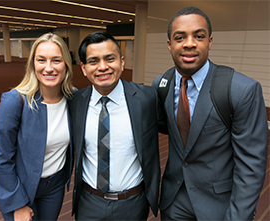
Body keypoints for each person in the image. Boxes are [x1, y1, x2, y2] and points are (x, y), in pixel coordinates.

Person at [152, 6, 268, 221]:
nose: (189, 43)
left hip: (219, 206)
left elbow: (251, 165)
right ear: (169, 45)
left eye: (199, 36)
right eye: (180, 37)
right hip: (173, 202)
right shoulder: (161, 85)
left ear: (210, 42)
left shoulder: (241, 90)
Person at [70, 31, 161, 220]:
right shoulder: (75, 102)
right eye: (93, 61)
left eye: (109, 59)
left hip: (132, 203)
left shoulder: (147, 98)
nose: (103, 67)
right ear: (84, 68)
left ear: (122, 61)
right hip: (89, 202)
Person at [0, 33, 75, 221]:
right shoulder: (15, 100)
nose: (49, 68)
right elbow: (1, 157)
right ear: (32, 64)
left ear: (66, 64)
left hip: (54, 186)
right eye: (41, 60)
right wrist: (17, 202)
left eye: (56, 60)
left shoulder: (73, 99)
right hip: (20, 186)